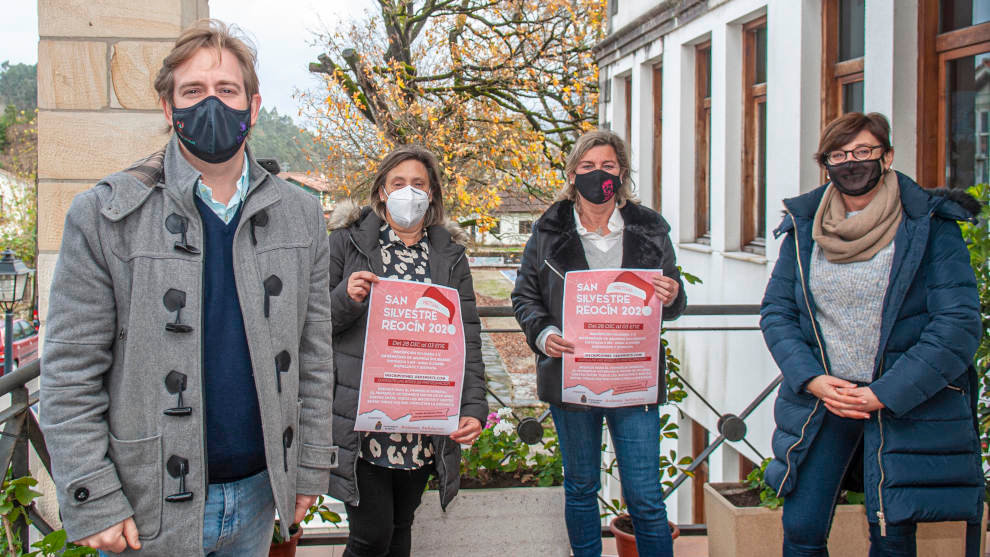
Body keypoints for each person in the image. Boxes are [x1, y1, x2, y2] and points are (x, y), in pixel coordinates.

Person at [40, 20, 337, 557]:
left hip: (256, 496)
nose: (211, 105)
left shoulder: (302, 215)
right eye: (193, 91)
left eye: (226, 90)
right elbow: (69, 370)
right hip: (145, 505)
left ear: (253, 104)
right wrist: (93, 496)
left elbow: (314, 357)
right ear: (167, 107)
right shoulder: (105, 216)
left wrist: (310, 467)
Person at [760, 112, 984, 557]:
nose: (852, 162)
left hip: (904, 402)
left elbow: (957, 326)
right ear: (824, 164)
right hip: (826, 401)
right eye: (839, 155)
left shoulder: (931, 226)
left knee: (891, 532)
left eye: (864, 151)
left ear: (887, 156)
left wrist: (884, 393)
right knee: (801, 529)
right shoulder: (805, 227)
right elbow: (777, 312)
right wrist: (813, 380)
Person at [511, 129, 687, 557]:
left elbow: (675, 298)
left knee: (645, 496)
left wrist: (673, 294)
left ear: (621, 173)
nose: (597, 175)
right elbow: (525, 296)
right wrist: (544, 334)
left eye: (607, 166)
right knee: (581, 487)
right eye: (587, 167)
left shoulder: (650, 228)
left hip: (633, 379)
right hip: (572, 378)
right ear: (572, 174)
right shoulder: (548, 230)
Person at [326, 146, 488, 557]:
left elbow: (467, 336)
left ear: (432, 193)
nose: (409, 192)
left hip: (422, 421)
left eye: (418, 184)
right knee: (370, 536)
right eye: (398, 184)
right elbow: (311, 323)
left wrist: (473, 407)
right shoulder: (347, 243)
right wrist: (346, 297)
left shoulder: (449, 256)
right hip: (364, 420)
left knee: (401, 527)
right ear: (381, 191)